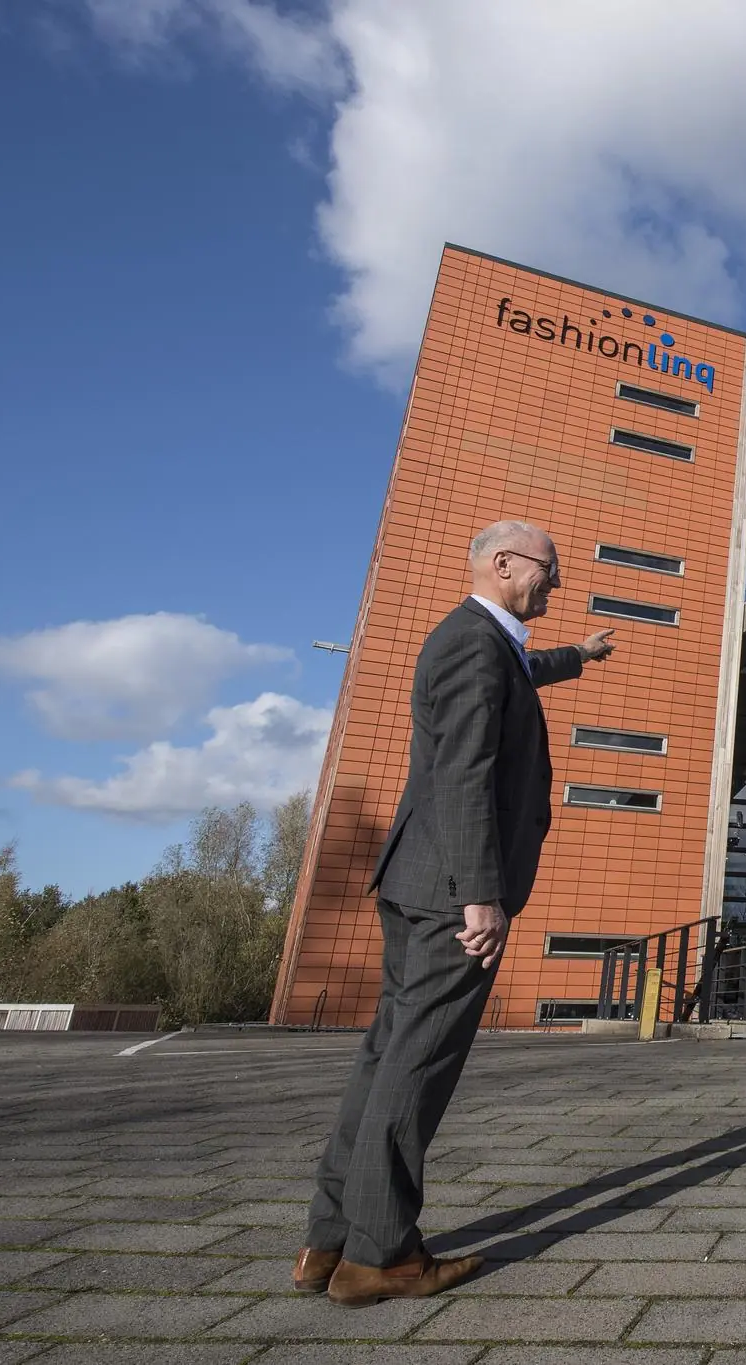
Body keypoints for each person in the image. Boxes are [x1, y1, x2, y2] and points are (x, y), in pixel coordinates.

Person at [295, 520, 616, 1307]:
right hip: (452, 893)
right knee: (417, 1065)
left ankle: (328, 1240)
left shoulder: (476, 641)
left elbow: (520, 673)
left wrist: (580, 654)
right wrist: (482, 891)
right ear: (505, 565)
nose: (557, 584)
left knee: (385, 1057)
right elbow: (466, 774)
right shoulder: (477, 644)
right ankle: (381, 1257)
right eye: (551, 570)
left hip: (417, 880)